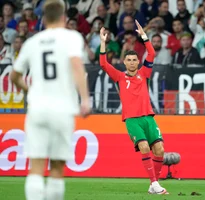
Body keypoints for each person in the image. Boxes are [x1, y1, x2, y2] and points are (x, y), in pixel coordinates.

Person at [10, 1, 90, 200]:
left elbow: (14, 76)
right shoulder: (72, 37)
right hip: (62, 109)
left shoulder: (32, 42)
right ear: (63, 18)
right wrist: (85, 99)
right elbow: (76, 65)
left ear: (43, 20)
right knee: (57, 167)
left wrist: (30, 90)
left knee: (36, 166)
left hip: (37, 109)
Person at [99, 21, 168, 195]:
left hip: (149, 118)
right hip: (132, 120)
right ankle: (154, 183)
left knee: (160, 149)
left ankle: (154, 184)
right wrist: (102, 42)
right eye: (128, 60)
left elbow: (151, 52)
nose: (131, 62)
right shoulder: (119, 77)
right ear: (124, 62)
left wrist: (144, 36)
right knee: (144, 147)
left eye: (134, 60)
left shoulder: (145, 73)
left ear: (138, 62)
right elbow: (103, 64)